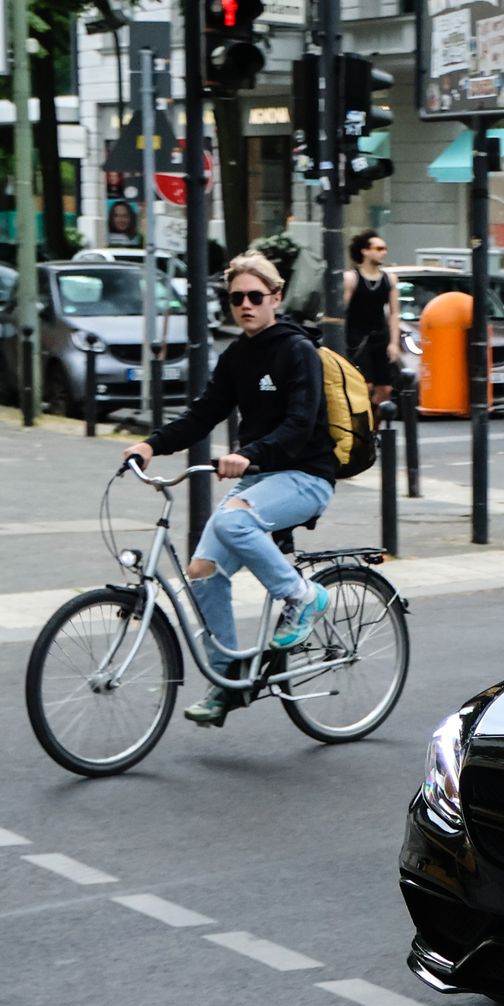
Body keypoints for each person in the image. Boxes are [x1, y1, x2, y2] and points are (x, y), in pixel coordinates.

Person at [125, 252, 338, 726]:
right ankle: (225, 682)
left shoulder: (297, 350)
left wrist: (251, 454)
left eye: (255, 296)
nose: (245, 305)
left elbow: (301, 425)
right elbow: (203, 414)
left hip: (307, 477)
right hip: (261, 478)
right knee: (201, 569)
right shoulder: (237, 356)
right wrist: (150, 445)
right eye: (236, 297)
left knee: (232, 517)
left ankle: (303, 597)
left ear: (275, 298)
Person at [342, 228, 399, 411]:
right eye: (379, 248)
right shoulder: (351, 278)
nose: (384, 252)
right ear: (365, 251)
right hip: (357, 337)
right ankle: (360, 429)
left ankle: (373, 431)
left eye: (385, 248)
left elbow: (394, 313)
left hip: (380, 336)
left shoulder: (389, 279)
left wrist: (394, 343)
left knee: (385, 390)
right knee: (364, 386)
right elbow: (342, 311)